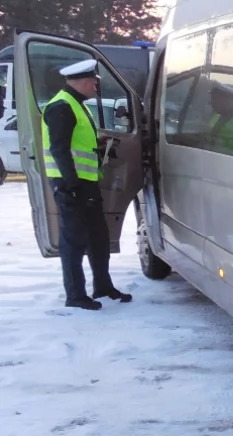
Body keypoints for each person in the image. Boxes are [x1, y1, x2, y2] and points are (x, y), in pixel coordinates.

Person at [42, 59, 132, 310]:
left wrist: (99, 144)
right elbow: (59, 149)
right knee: (74, 241)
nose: (95, 86)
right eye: (94, 82)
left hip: (86, 183)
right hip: (72, 185)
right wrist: (72, 184)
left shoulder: (76, 104)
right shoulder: (61, 106)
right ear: (83, 81)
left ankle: (102, 286)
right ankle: (75, 295)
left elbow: (75, 143)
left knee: (98, 237)